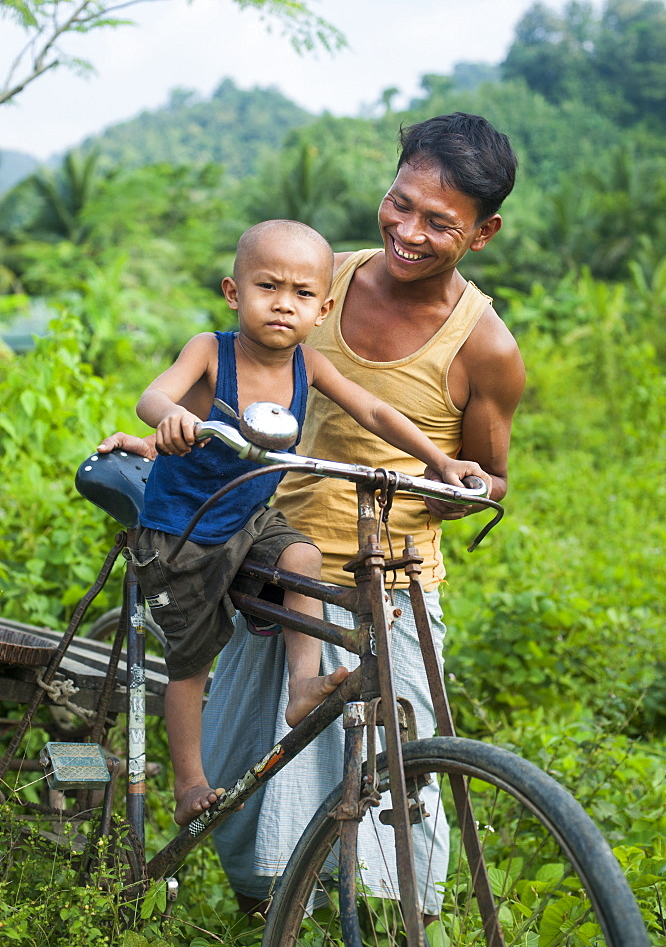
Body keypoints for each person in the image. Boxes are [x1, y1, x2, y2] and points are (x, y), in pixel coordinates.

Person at [99, 112, 525, 917]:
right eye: (399, 203)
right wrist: (159, 435)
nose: (407, 229)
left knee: (400, 773)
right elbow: (220, 386)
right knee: (242, 774)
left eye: (439, 222)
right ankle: (268, 907)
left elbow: (490, 477)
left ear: (484, 232)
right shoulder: (319, 277)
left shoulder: (485, 346)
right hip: (260, 554)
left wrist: (454, 480)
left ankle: (397, 920)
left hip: (382, 571)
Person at [125, 217, 490, 828]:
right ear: (234, 292)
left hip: (249, 517)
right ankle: (189, 782)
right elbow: (153, 397)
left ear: (321, 310)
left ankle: (302, 686)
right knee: (190, 661)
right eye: (268, 288)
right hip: (182, 530)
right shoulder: (209, 351)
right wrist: (171, 419)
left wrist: (439, 459)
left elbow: (373, 407)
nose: (282, 306)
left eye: (300, 295)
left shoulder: (309, 367)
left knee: (303, 558)